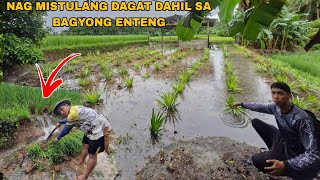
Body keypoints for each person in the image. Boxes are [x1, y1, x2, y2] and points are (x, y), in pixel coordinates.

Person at [232, 82, 320, 179]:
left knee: (256, 160)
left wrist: (285, 165)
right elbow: (260, 107)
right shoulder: (276, 108)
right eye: (273, 93)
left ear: (289, 95)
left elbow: (314, 154)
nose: (275, 97)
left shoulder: (301, 119)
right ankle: (275, 154)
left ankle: (288, 170)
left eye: (280, 93)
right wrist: (241, 104)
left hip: (296, 154)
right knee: (256, 122)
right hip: (285, 141)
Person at [53, 99, 111, 180]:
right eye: (60, 112)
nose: (62, 113)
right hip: (90, 128)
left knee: (92, 156)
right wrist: (60, 121)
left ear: (67, 105)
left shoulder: (73, 113)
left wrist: (57, 138)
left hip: (98, 130)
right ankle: (81, 161)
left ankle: (85, 176)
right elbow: (68, 119)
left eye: (62, 109)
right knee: (85, 145)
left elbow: (66, 129)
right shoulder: (74, 110)